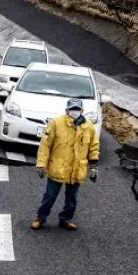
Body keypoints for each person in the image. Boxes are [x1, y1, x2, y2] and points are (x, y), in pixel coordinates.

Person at [30, 98, 99, 231]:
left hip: (76, 169)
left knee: (72, 198)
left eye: (77, 109)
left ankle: (65, 219)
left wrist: (94, 166)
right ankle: (40, 218)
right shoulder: (56, 123)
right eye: (72, 109)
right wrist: (41, 165)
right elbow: (45, 145)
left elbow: (93, 147)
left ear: (82, 111)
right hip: (58, 167)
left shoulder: (88, 126)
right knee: (50, 196)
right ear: (66, 110)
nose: (74, 112)